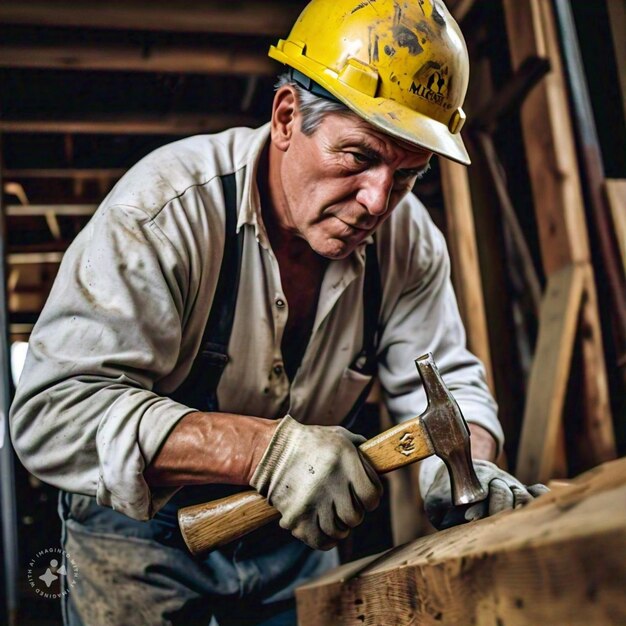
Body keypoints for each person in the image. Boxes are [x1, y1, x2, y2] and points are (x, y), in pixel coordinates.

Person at [9, 1, 547, 624]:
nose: (377, 201)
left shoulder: (410, 242)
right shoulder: (163, 213)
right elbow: (54, 412)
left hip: (297, 539)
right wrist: (266, 451)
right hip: (135, 537)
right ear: (288, 117)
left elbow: (450, 388)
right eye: (358, 157)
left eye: (408, 174)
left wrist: (472, 464)